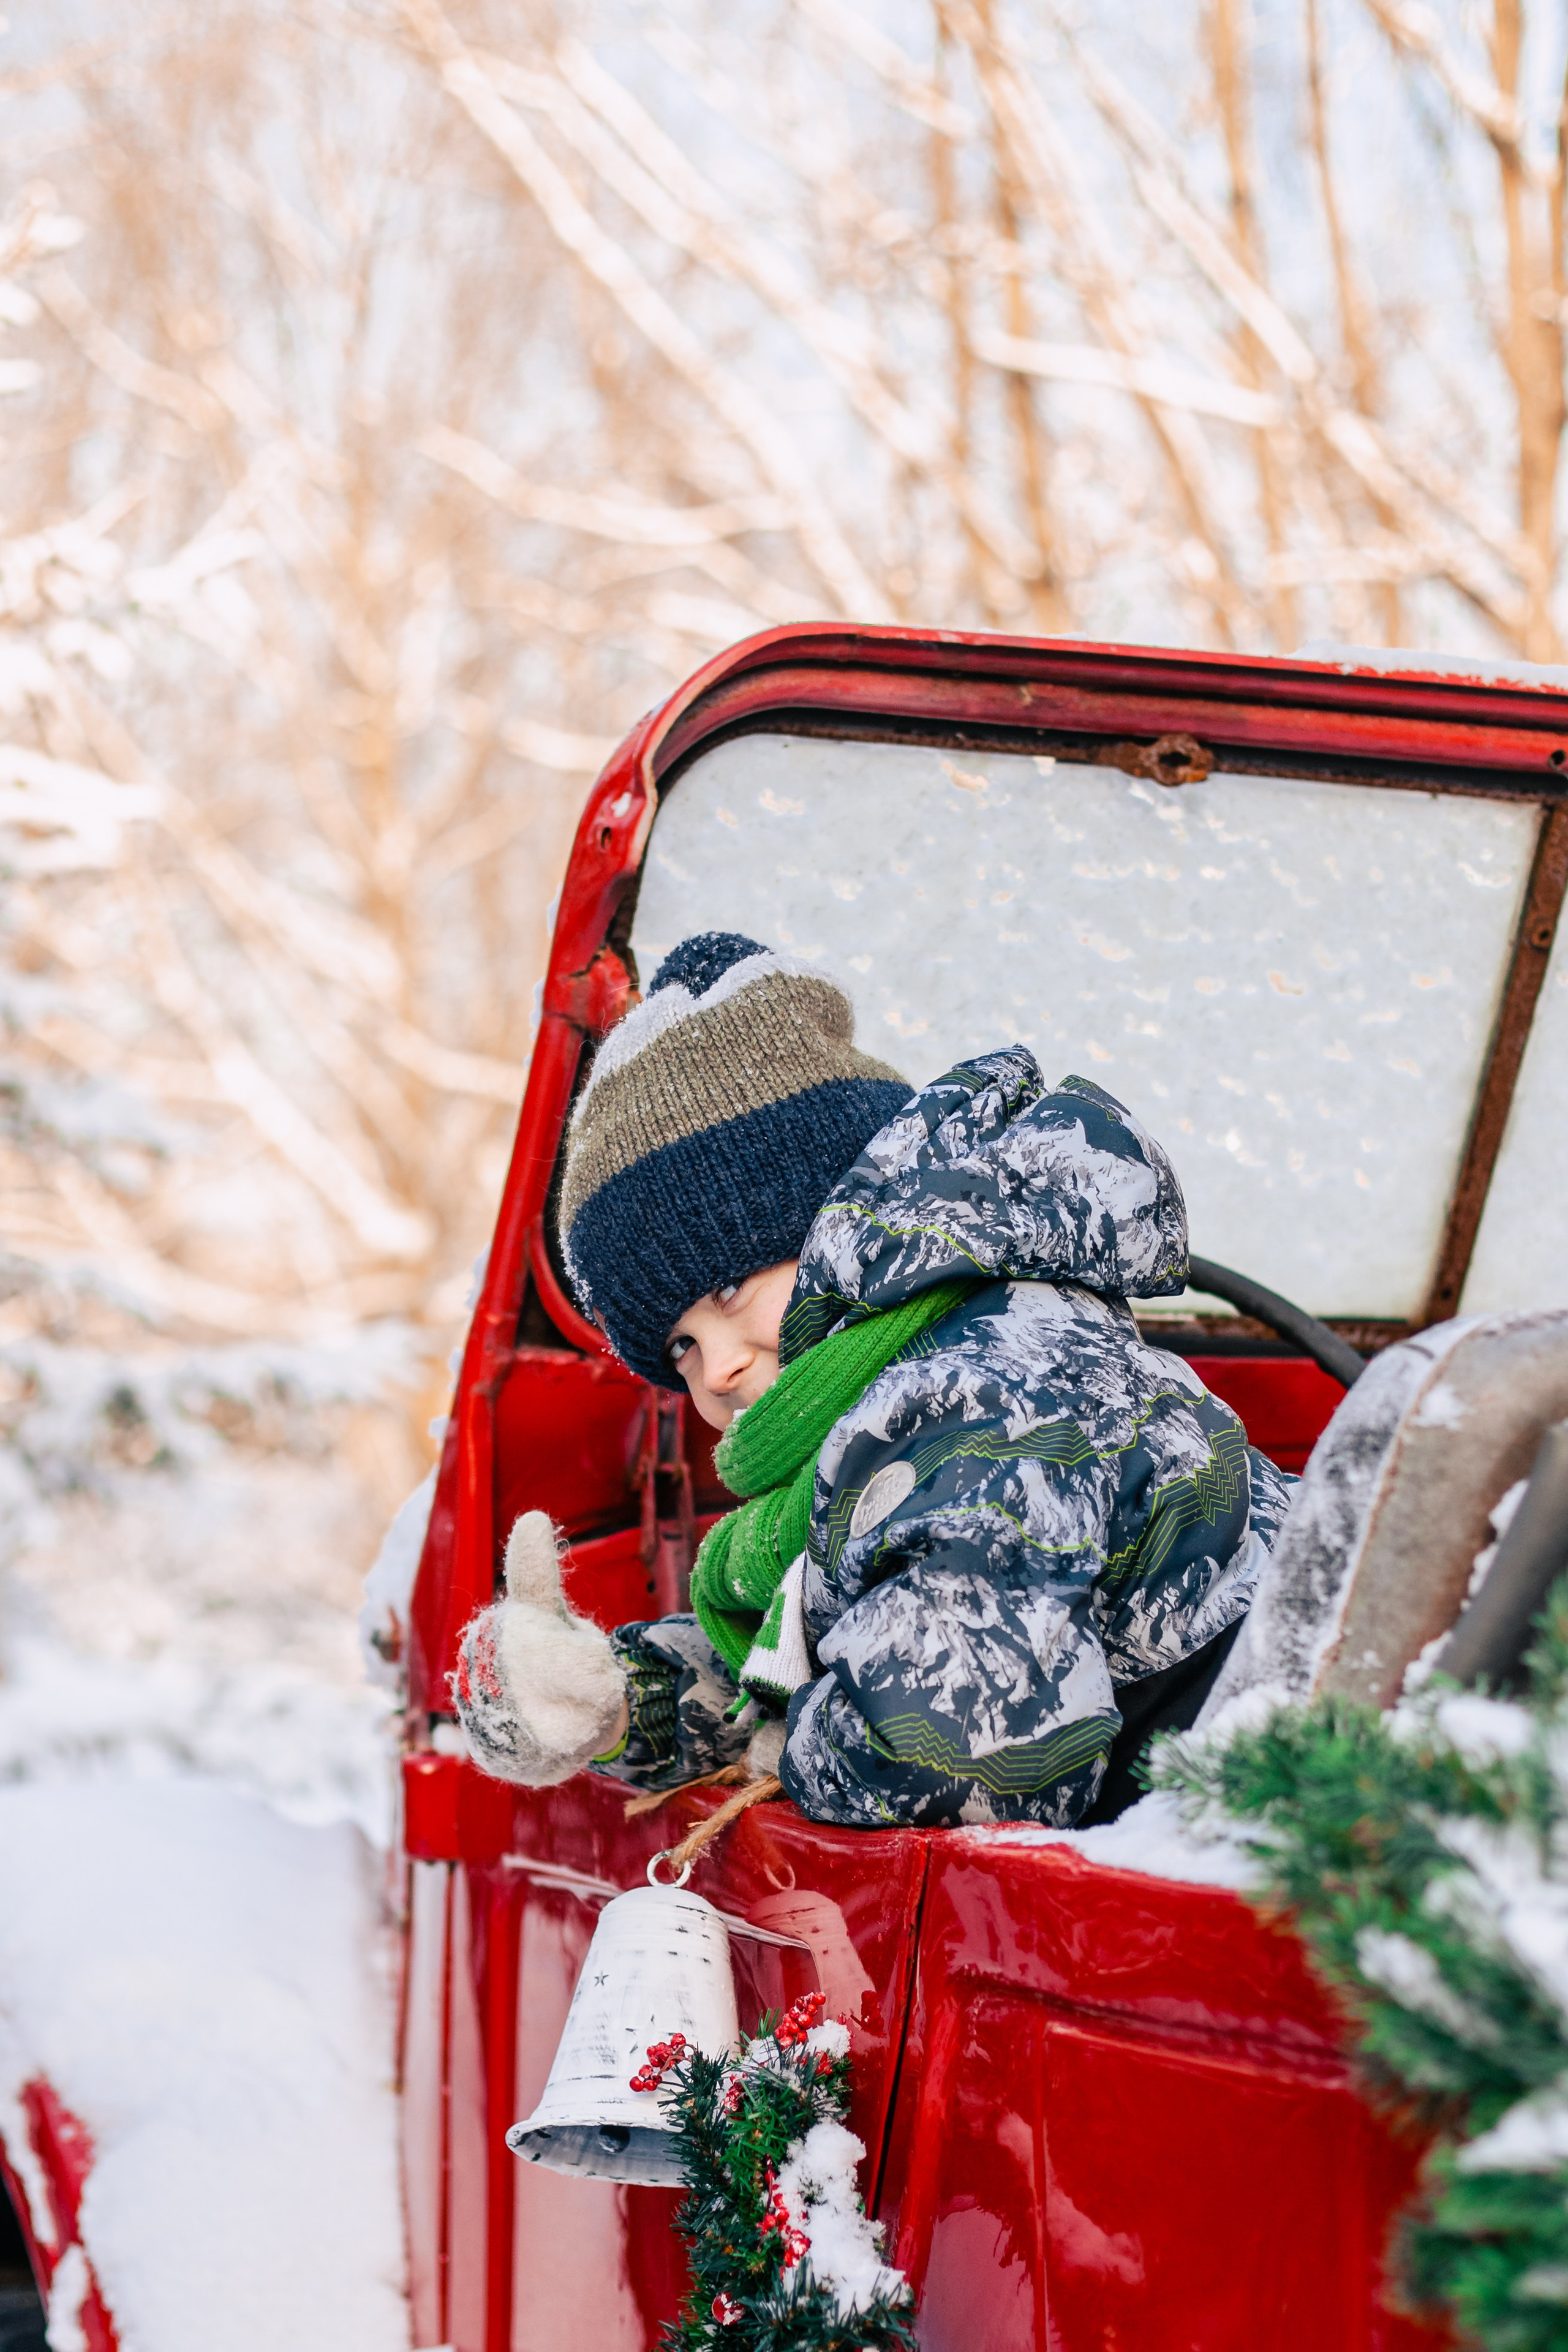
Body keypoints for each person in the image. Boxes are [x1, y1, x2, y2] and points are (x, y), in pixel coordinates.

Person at [453, 932, 1295, 1829]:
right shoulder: (905, 1411)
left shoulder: (991, 1399)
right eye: (681, 1348)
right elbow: (853, 1620)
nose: (720, 1367)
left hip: (1297, 1848)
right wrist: (620, 1703)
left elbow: (957, 1755)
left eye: (732, 1289)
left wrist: (792, 1748)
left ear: (840, 1227)